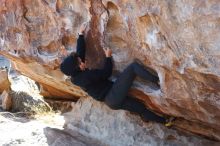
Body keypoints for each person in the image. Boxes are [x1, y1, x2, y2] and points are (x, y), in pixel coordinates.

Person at [60, 23, 174, 126]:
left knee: (140, 108)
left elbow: (80, 53)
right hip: (112, 95)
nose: (82, 61)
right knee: (133, 67)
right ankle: (158, 81)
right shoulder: (85, 77)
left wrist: (80, 35)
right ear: (76, 68)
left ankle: (166, 122)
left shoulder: (76, 73)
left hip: (111, 102)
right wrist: (108, 56)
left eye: (80, 60)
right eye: (79, 62)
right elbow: (106, 73)